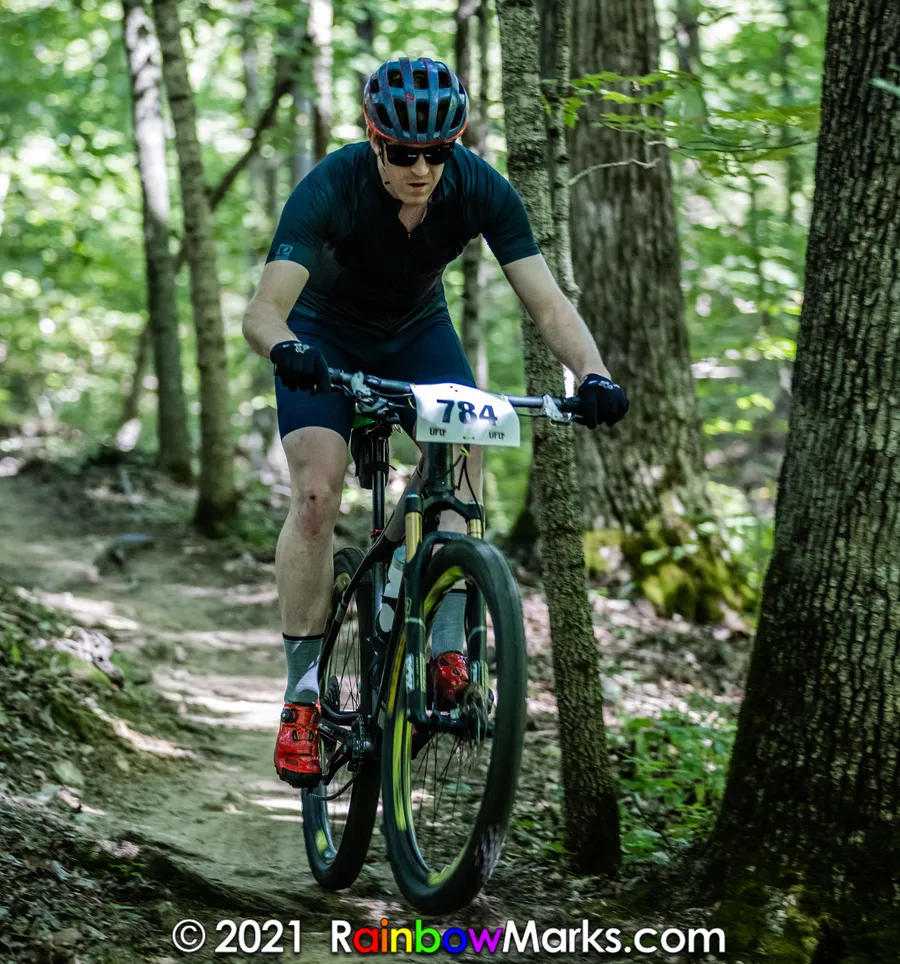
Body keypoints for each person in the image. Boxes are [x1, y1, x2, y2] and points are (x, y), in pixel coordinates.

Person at [241, 56, 628, 789]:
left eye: (436, 153)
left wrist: (595, 373)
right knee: (318, 494)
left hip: (418, 332)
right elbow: (262, 312)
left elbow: (548, 303)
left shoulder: (480, 187)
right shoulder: (333, 184)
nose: (421, 168)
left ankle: (447, 648)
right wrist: (289, 350)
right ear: (374, 139)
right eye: (403, 153)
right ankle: (301, 700)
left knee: (462, 467)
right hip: (322, 339)